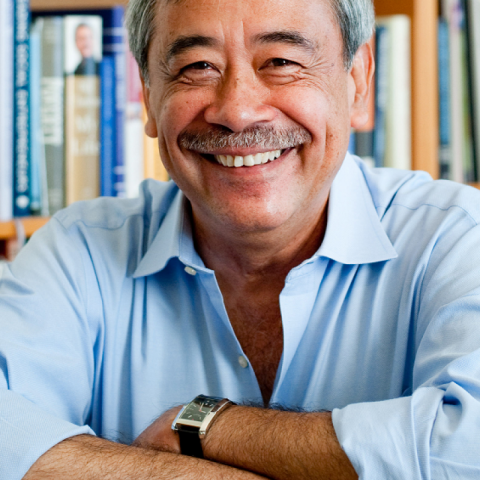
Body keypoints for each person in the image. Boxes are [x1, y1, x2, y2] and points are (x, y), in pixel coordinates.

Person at [1, 0, 480, 478]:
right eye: (197, 67)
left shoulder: (456, 237)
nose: (238, 111)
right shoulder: (77, 251)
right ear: (148, 96)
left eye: (282, 63)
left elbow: (466, 450)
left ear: (357, 83)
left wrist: (207, 426)